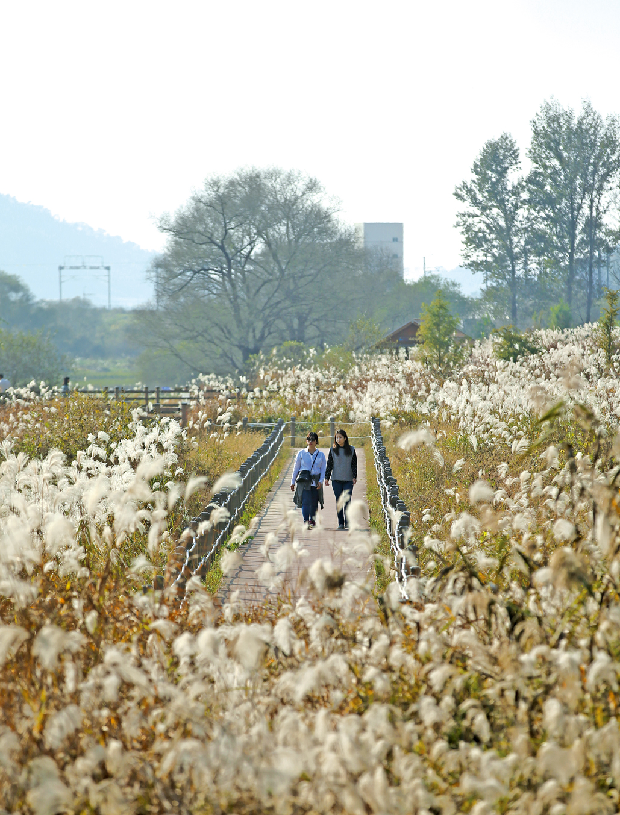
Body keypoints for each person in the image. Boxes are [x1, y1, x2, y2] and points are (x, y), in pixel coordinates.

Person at [290, 431, 326, 528]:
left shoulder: (321, 455)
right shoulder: (301, 453)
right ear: (306, 441)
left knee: (314, 502)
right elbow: (296, 468)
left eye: (313, 440)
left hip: (316, 480)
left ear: (316, 442)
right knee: (305, 501)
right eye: (309, 439)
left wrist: (321, 481)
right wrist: (292, 482)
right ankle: (306, 521)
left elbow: (323, 469)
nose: (310, 441)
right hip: (304, 481)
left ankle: (312, 521)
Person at [324, 428, 357, 530]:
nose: (338, 439)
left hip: (348, 480)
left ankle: (348, 522)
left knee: (347, 501)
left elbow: (354, 464)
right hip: (336, 480)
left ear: (345, 438)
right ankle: (341, 523)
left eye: (340, 437)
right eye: (336, 437)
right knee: (339, 501)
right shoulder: (333, 450)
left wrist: (354, 476)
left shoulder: (351, 449)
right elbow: (329, 464)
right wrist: (327, 477)